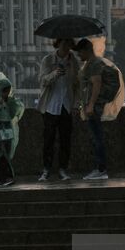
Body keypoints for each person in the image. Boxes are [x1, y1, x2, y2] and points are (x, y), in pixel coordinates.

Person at [74, 38, 123, 180]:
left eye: (80, 53)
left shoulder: (94, 64)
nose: (79, 56)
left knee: (97, 138)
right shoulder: (92, 63)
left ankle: (100, 169)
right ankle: (99, 168)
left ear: (86, 50)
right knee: (96, 137)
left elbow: (96, 84)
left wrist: (91, 105)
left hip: (94, 106)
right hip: (94, 105)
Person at [37, 37, 80, 182]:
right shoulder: (48, 60)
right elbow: (42, 81)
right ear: (58, 44)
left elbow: (77, 85)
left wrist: (75, 105)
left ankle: (63, 169)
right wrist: (54, 74)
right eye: (64, 43)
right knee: (48, 139)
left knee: (65, 139)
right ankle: (46, 169)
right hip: (50, 105)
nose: (66, 46)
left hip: (66, 106)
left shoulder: (74, 62)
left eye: (69, 43)